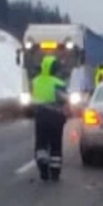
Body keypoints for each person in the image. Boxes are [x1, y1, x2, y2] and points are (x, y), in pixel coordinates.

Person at [31, 47, 69, 181]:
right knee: (55, 145)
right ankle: (55, 172)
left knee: (41, 143)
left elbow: (32, 98)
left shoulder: (35, 81)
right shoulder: (58, 83)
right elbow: (64, 99)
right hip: (56, 117)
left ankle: (43, 168)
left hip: (40, 116)